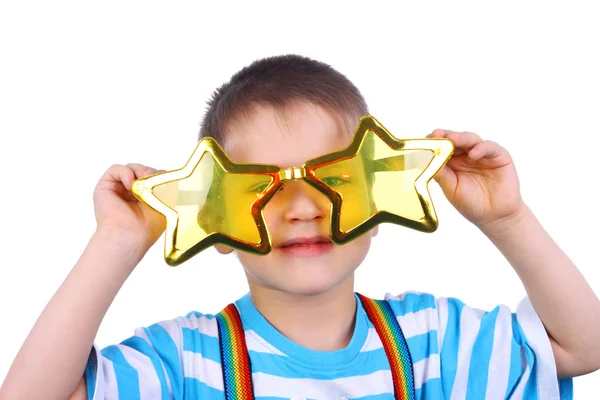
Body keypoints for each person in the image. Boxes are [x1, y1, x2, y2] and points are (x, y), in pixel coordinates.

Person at [1, 54, 598, 400]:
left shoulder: (437, 343)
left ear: (380, 196)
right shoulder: (183, 362)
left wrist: (507, 219)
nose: (303, 208)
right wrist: (116, 243)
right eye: (260, 187)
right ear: (213, 216)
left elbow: (583, 346)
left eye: (332, 180)